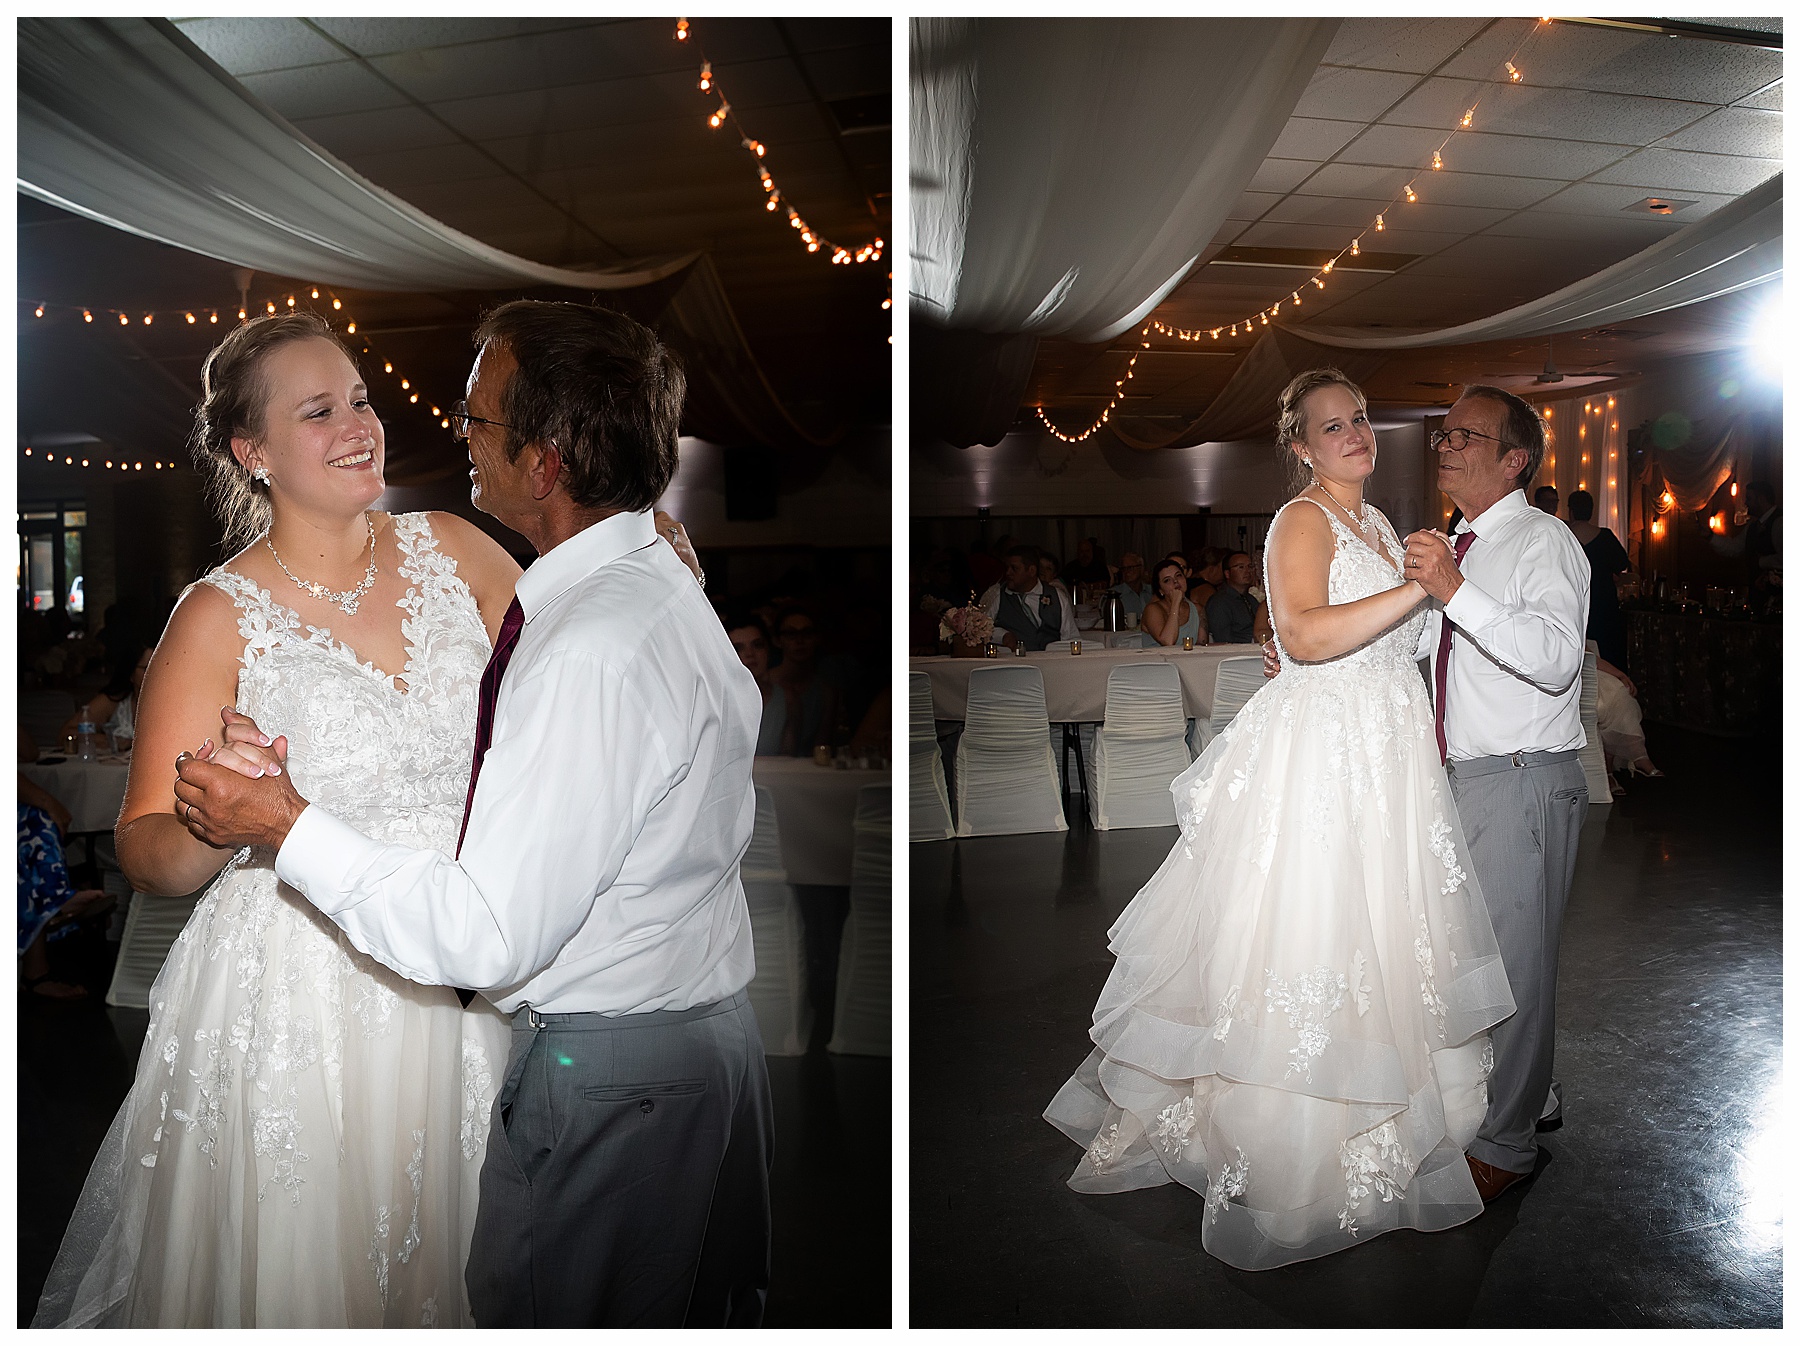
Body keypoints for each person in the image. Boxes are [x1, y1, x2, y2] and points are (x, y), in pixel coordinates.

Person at [33, 309, 705, 1328]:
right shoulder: (217, 614)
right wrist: (217, 820)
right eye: (318, 410)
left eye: (359, 399)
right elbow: (145, 851)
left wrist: (652, 586)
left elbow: (583, 680)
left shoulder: (455, 548)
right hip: (302, 994)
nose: (359, 424)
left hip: (465, 958)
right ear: (251, 452)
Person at [1047, 367, 1513, 1270]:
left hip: (1388, 752)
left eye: (1362, 420)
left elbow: (1354, 637)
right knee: (1315, 932)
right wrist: (1424, 591)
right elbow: (1303, 633)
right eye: (1332, 427)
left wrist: (1407, 599)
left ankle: (1393, 1121)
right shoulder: (1299, 519)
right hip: (1326, 759)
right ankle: (1297, 1150)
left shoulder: (1377, 523)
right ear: (1300, 445)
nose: (1355, 436)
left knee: (1387, 933)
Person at [1400, 383, 1590, 1203]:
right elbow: (1440, 660)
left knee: (1513, 963)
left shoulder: (1542, 542)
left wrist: (1451, 590)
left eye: (1466, 435)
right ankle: (1532, 1097)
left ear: (1514, 460)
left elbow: (1554, 658)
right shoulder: (1462, 545)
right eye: (1444, 433)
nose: (1445, 444)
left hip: (1518, 777)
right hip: (1467, 778)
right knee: (1481, 960)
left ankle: (1505, 1145)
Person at [1566, 489, 1631, 671]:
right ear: (1591, 511)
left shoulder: (1563, 536)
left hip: (1574, 608)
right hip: (1604, 608)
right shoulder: (1605, 537)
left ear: (1571, 511)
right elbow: (1621, 563)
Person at [772, 606, 842, 756]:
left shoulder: (825, 693)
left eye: (807, 633)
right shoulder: (763, 684)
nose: (800, 640)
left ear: (817, 639)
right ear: (777, 640)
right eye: (791, 634)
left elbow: (821, 748)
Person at [979, 544, 1078, 650]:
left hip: (1052, 661)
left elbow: (1071, 638)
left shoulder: (1057, 596)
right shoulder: (996, 595)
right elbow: (979, 630)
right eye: (1007, 567)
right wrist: (1002, 635)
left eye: (1014, 568)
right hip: (1015, 663)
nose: (1008, 573)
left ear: (1031, 571)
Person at [1593, 656, 1662, 787]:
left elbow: (1591, 658)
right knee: (1601, 706)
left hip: (1589, 675)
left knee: (1621, 696)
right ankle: (1612, 770)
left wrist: (1621, 675)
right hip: (1566, 679)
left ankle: (1639, 755)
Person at [727, 613, 784, 755]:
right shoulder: (711, 704)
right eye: (738, 648)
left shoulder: (787, 701)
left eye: (757, 645)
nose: (750, 654)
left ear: (768, 650)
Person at [1142, 557, 1205, 647]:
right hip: (1157, 660)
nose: (1175, 581)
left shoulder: (1198, 609)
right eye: (1167, 580)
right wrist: (1175, 604)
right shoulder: (1152, 610)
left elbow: (1202, 645)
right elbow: (1168, 641)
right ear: (1161, 590)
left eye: (1178, 575)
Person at [1205, 551, 1260, 644]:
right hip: (1235, 654)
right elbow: (1222, 639)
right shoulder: (1220, 602)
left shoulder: (1251, 600)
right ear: (1227, 573)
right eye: (1241, 567)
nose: (1247, 571)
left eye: (1250, 567)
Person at [1108, 552, 1154, 618]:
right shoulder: (1114, 595)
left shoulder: (1153, 591)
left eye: (1130, 567)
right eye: (1124, 568)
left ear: (1141, 568)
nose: (1127, 571)